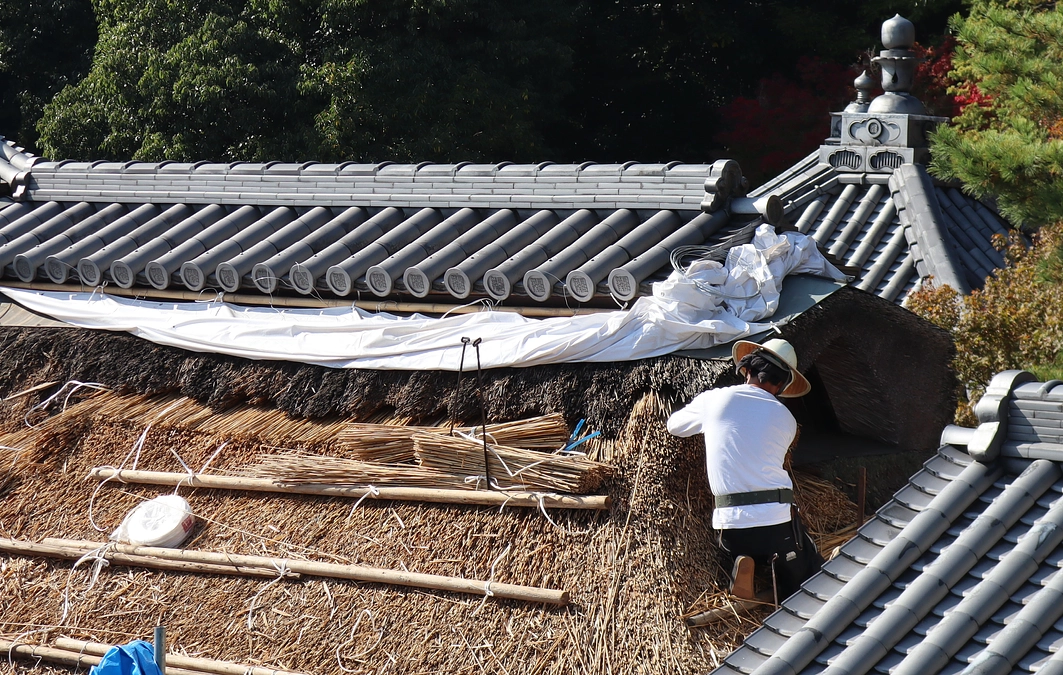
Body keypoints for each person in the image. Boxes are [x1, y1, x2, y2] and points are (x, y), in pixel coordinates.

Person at [667, 338, 823, 602]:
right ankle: (778, 568)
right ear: (783, 385)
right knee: (806, 566)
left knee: (741, 542)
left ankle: (743, 562)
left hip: (731, 527)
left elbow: (674, 426)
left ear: (747, 369)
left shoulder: (716, 399)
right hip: (777, 524)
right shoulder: (787, 419)